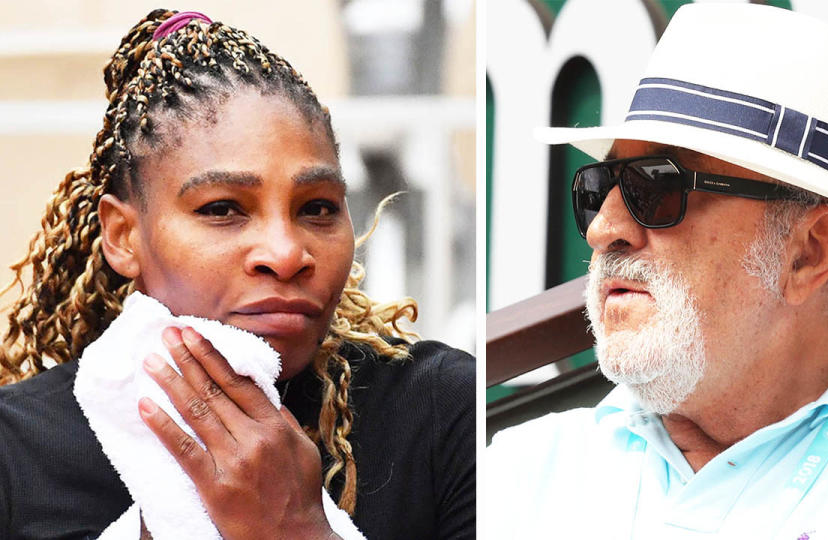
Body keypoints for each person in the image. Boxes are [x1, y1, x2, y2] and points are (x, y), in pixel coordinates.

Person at [487, 4, 828, 539]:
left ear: (808, 252)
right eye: (601, 187)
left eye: (656, 185)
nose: (604, 228)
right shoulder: (523, 468)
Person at [0, 10, 474, 540]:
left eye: (317, 207)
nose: (286, 253)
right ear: (123, 236)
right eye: (223, 208)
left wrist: (296, 529)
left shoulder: (444, 414)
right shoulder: (18, 450)